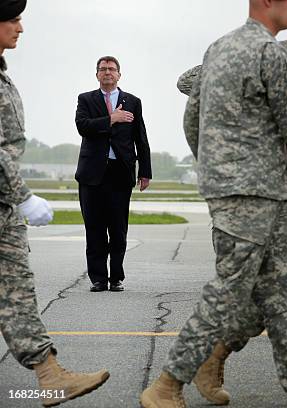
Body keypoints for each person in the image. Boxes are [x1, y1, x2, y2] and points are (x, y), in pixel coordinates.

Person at [141, 1, 287, 408]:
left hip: (256, 192)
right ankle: (167, 384)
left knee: (283, 291)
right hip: (254, 194)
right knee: (227, 293)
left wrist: (214, 168)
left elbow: (193, 118)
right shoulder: (271, 54)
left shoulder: (217, 49)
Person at [0, 1, 110, 406]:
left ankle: (49, 376)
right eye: (11, 19)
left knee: (17, 291)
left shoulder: (3, 76)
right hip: (7, 202)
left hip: (3, 211)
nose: (21, 27)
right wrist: (24, 196)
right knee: (15, 290)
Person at [74, 55, 152, 292]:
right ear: (96, 74)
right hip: (92, 174)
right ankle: (98, 278)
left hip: (120, 173)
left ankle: (116, 277)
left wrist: (145, 171)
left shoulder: (133, 101)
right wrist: (112, 118)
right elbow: (83, 127)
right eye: (103, 69)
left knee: (118, 229)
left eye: (111, 69)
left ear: (119, 74)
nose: (107, 72)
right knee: (95, 228)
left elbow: (141, 137)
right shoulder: (86, 99)